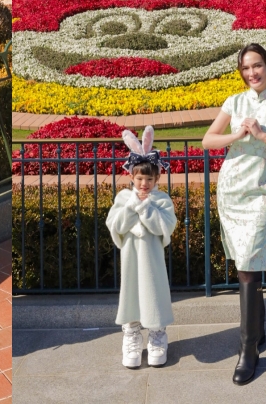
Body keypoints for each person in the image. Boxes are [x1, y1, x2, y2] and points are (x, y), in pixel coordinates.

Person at [202, 43, 266, 386]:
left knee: (248, 264)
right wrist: (238, 133)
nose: (252, 73)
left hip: (263, 194)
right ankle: (257, 332)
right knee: (246, 264)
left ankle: (248, 349)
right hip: (232, 191)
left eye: (257, 65)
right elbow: (208, 140)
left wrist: (264, 135)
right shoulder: (234, 102)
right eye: (246, 68)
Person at [106, 126, 177, 369]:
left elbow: (164, 227)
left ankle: (158, 334)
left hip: (153, 258)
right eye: (139, 178)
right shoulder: (123, 198)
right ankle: (132, 333)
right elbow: (115, 225)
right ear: (131, 178)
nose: (144, 183)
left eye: (149, 179)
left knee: (153, 291)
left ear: (157, 178)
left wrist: (146, 208)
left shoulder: (162, 200)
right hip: (130, 257)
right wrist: (133, 206)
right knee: (132, 292)